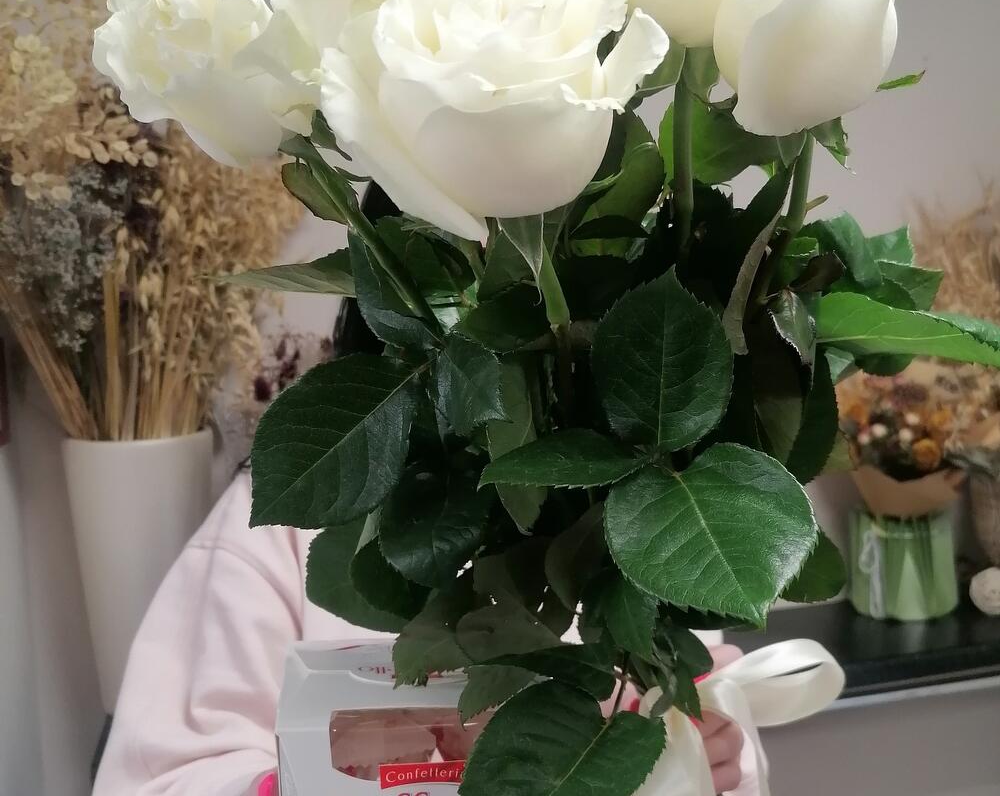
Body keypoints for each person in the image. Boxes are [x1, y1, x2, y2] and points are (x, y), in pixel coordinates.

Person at [92, 188, 752, 796]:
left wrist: (704, 753)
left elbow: (719, 745)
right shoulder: (280, 525)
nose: (490, 334)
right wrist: (318, 775)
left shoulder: (640, 516)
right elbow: (158, 775)